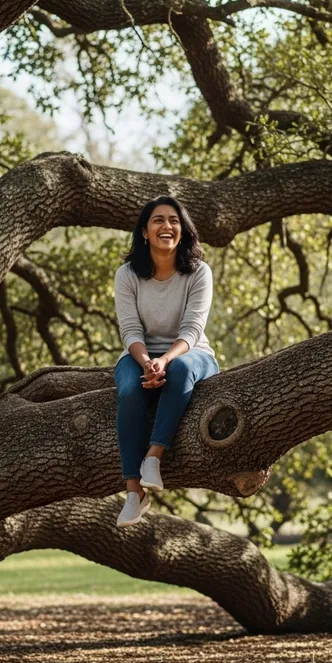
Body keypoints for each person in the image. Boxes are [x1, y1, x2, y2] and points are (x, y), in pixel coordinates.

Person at [113, 195, 219, 528]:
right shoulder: (128, 274)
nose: (167, 226)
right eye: (158, 220)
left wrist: (166, 361)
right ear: (144, 232)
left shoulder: (199, 272)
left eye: (174, 221)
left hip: (191, 352)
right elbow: (129, 329)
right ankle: (134, 492)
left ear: (183, 231)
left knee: (182, 369)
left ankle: (154, 457)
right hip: (140, 353)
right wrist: (147, 362)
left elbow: (193, 328)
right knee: (129, 387)